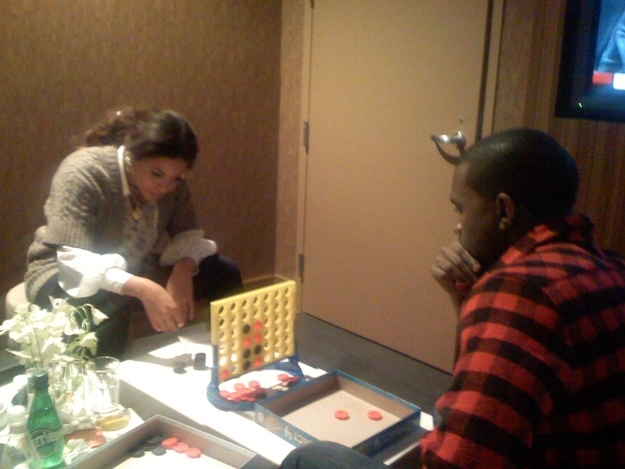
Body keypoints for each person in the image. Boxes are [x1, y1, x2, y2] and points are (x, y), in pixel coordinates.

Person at [279, 128, 625, 468]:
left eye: (460, 209)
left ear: (504, 211)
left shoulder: (520, 293)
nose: (457, 226)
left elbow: (464, 459)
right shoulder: (608, 268)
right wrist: (464, 294)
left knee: (312, 457)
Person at [24, 108, 243, 359]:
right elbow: (73, 260)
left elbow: (188, 236)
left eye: (176, 177)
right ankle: (109, 380)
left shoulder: (173, 186)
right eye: (157, 174)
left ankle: (230, 358)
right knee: (110, 298)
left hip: (131, 267)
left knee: (223, 271)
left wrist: (184, 268)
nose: (166, 186)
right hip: (62, 273)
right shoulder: (84, 170)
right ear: (131, 156)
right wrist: (143, 289)